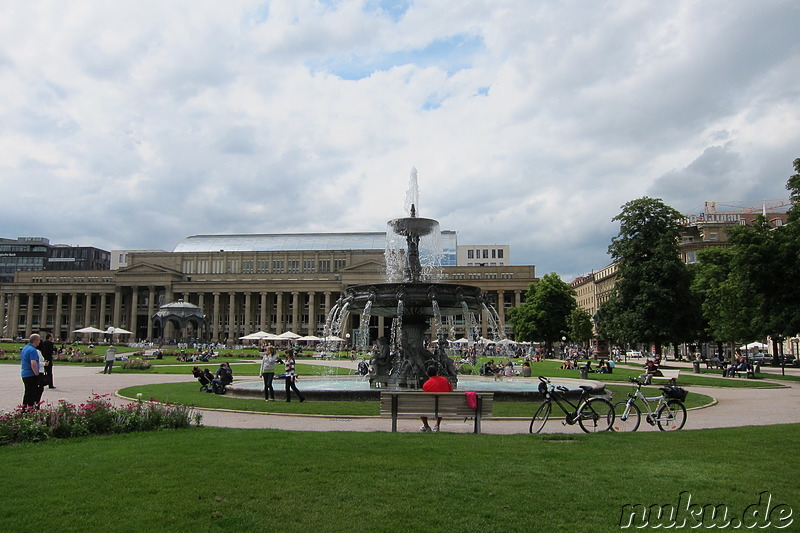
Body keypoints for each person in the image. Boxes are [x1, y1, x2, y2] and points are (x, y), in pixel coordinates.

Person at [420, 365, 453, 432]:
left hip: (430, 406)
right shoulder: (444, 380)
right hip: (444, 405)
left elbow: (426, 397)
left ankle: (426, 426)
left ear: (427, 373)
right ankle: (437, 425)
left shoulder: (426, 384)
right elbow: (451, 390)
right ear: (437, 372)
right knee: (440, 404)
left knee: (421, 407)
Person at [20, 333, 43, 408]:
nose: (39, 342)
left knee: (27, 393)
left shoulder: (25, 348)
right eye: (39, 340)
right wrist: (37, 374)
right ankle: (30, 409)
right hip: (31, 374)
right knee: (32, 394)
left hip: (25, 373)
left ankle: (24, 408)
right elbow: (33, 363)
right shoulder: (33, 350)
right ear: (35, 341)